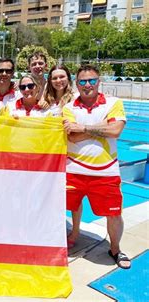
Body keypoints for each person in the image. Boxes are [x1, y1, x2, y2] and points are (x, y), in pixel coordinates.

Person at [63, 65, 130, 269]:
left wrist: (84, 128)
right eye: (82, 81)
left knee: (114, 213)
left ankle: (116, 249)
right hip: (73, 170)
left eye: (92, 80)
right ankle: (71, 234)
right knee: (65, 207)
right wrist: (102, 128)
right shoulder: (69, 107)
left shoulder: (113, 102)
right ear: (77, 84)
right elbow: (71, 136)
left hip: (106, 172)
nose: (87, 85)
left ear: (99, 81)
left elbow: (116, 130)